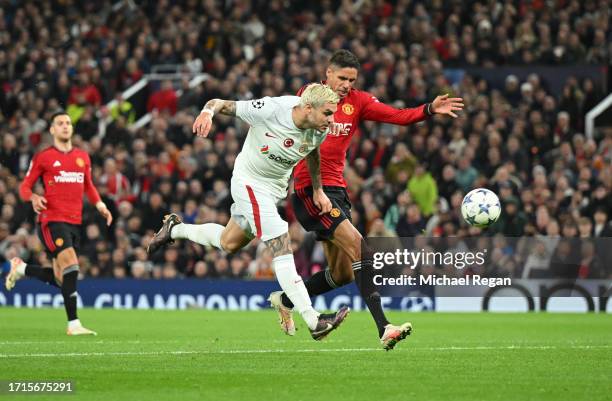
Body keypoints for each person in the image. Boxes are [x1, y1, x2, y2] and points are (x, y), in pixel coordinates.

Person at [271, 49, 464, 350]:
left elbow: (397, 116)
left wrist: (428, 109)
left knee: (343, 273)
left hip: (337, 192)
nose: (347, 84)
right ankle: (384, 327)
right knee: (362, 249)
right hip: (311, 190)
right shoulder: (310, 96)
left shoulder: (358, 102)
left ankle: (285, 299)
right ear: (329, 73)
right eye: (342, 78)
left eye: (352, 79)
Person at [147, 84, 350, 340]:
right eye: (328, 114)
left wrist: (318, 190)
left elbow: (312, 154)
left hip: (273, 190)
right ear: (308, 107)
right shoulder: (271, 109)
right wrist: (208, 113)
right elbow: (219, 102)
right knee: (280, 239)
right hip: (249, 183)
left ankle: (175, 229)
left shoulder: (317, 128)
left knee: (229, 242)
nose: (332, 121)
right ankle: (313, 320)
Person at [5, 111, 113, 336]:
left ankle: (22, 268)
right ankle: (73, 324)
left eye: (68, 123)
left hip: (75, 222)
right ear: (52, 129)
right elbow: (24, 187)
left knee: (60, 278)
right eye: (60, 123)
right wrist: (34, 197)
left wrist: (100, 205)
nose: (65, 126)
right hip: (52, 221)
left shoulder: (82, 156)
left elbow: (89, 186)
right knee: (72, 265)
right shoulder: (44, 157)